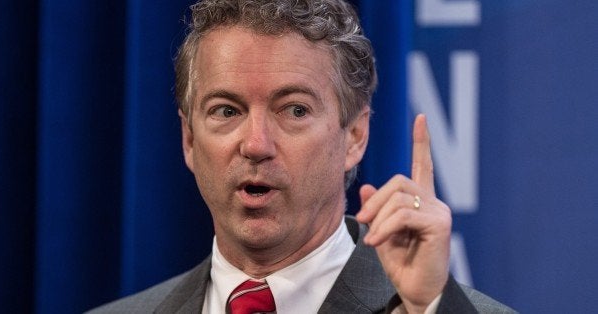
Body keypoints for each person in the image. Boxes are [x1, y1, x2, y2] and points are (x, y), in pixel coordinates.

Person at [89, 0, 515, 313]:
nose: (255, 144)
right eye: (227, 111)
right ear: (188, 139)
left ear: (355, 135)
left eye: (294, 110)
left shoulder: (429, 308)